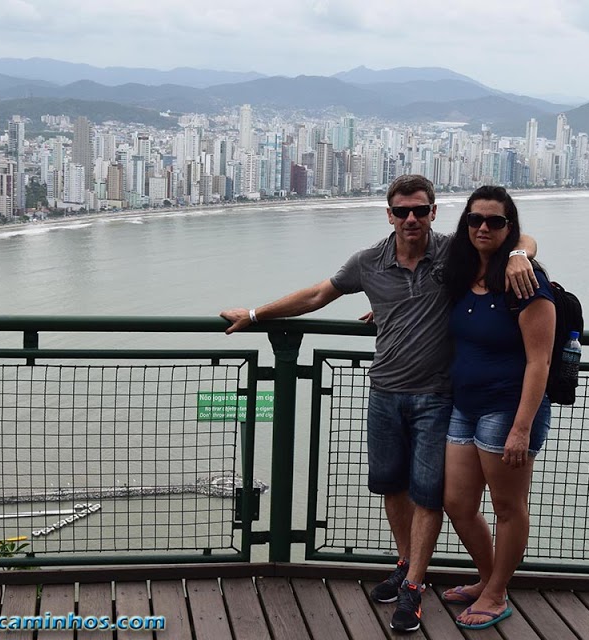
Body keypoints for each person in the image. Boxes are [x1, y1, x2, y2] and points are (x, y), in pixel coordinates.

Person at [220, 175, 538, 633]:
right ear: (389, 215)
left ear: (433, 213)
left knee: (429, 494)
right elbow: (316, 294)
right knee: (391, 486)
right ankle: (407, 564)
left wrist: (519, 253)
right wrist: (254, 315)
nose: (412, 218)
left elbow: (514, 235)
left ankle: (413, 586)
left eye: (421, 210)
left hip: (437, 396)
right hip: (384, 392)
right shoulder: (368, 262)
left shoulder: (453, 252)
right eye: (403, 211)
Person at [439, 186, 555, 631]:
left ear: (511, 228)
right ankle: (490, 578)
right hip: (465, 405)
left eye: (495, 221)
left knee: (508, 506)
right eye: (475, 220)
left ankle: (497, 590)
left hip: (507, 410)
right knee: (457, 502)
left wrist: (522, 428)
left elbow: (539, 361)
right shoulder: (462, 272)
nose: (483, 228)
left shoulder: (525, 282)